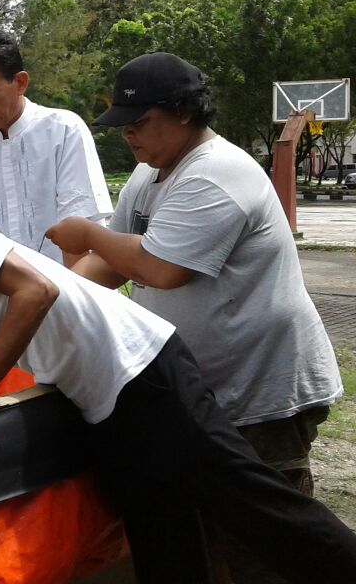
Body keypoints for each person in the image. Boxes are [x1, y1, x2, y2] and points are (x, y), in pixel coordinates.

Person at [0, 220, 356, 584]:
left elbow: (38, 291)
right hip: (98, 405)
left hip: (142, 364)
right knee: (157, 530)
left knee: (246, 499)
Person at [46, 52, 344, 582]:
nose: (129, 137)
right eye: (124, 126)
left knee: (266, 544)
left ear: (183, 113)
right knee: (205, 540)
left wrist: (88, 234)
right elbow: (111, 265)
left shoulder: (217, 173)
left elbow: (161, 268)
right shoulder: (149, 173)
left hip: (261, 395)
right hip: (202, 394)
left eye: (140, 124)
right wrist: (43, 294)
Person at [0, 32, 111, 262]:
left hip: (68, 287)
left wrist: (70, 296)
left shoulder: (63, 130)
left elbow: (79, 233)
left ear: (20, 83)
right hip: (7, 293)